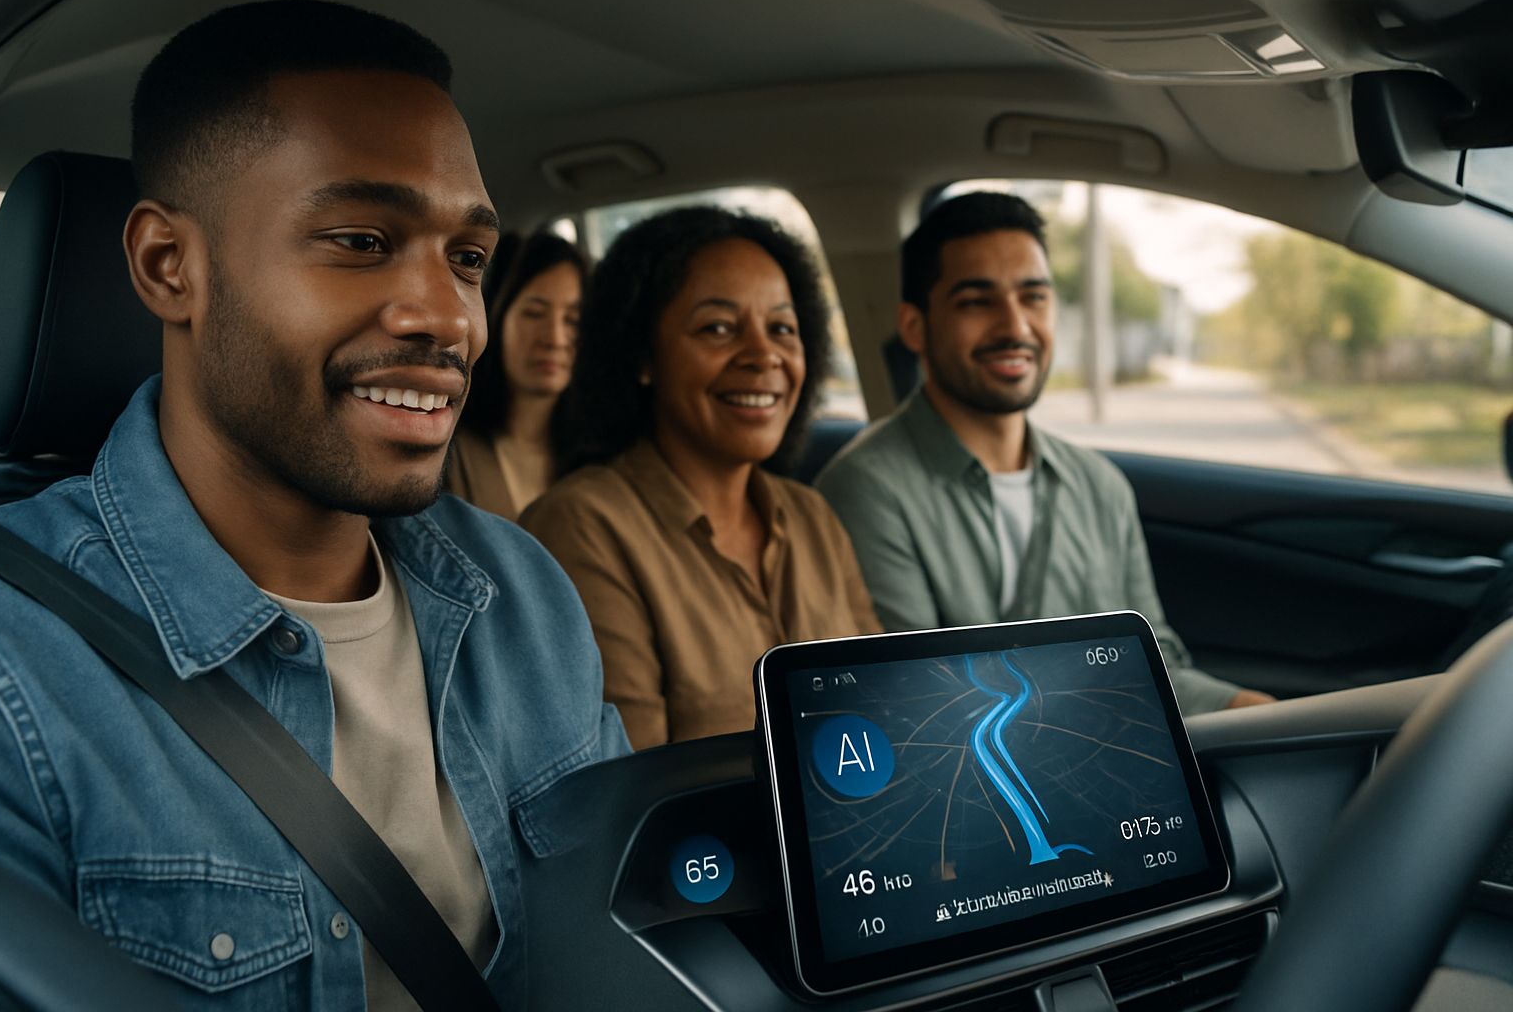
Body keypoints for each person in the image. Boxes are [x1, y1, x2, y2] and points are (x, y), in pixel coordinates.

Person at [0, 1, 628, 1011]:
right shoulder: (1, 672)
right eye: (361, 239)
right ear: (167, 266)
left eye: (467, 258)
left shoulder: (521, 594)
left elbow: (619, 948)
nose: (446, 317)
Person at [815, 192, 1272, 714]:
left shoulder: (1099, 485)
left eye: (1033, 297)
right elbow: (923, 701)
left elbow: (1152, 663)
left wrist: (1244, 708)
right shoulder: (865, 490)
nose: (1015, 327)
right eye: (976, 301)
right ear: (915, 326)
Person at [520, 207, 882, 749]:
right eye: (718, 328)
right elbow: (632, 792)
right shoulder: (582, 527)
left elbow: (887, 705)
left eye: (782, 328)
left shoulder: (812, 515)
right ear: (642, 355)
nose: (764, 356)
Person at [446, 232, 584, 518]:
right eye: (534, 314)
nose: (555, 339)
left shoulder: (598, 455)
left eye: (573, 320)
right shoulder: (451, 453)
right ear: (495, 318)